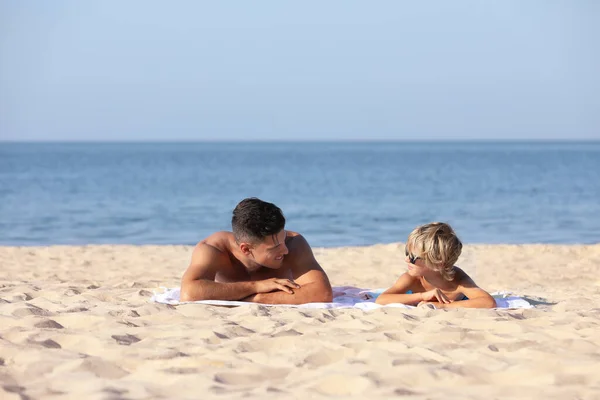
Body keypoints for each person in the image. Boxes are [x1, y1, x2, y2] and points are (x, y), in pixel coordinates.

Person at [180, 197, 333, 304]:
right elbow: (189, 292)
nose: (285, 250)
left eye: (283, 238)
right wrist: (256, 286)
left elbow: (322, 292)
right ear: (246, 249)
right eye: (275, 247)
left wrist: (257, 298)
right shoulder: (214, 249)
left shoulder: (294, 243)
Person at [375, 222, 496, 308]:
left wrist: (443, 306)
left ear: (437, 264)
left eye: (413, 257)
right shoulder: (412, 279)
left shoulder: (457, 280)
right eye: (408, 253)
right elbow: (382, 299)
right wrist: (423, 296)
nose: (407, 259)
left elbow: (488, 302)